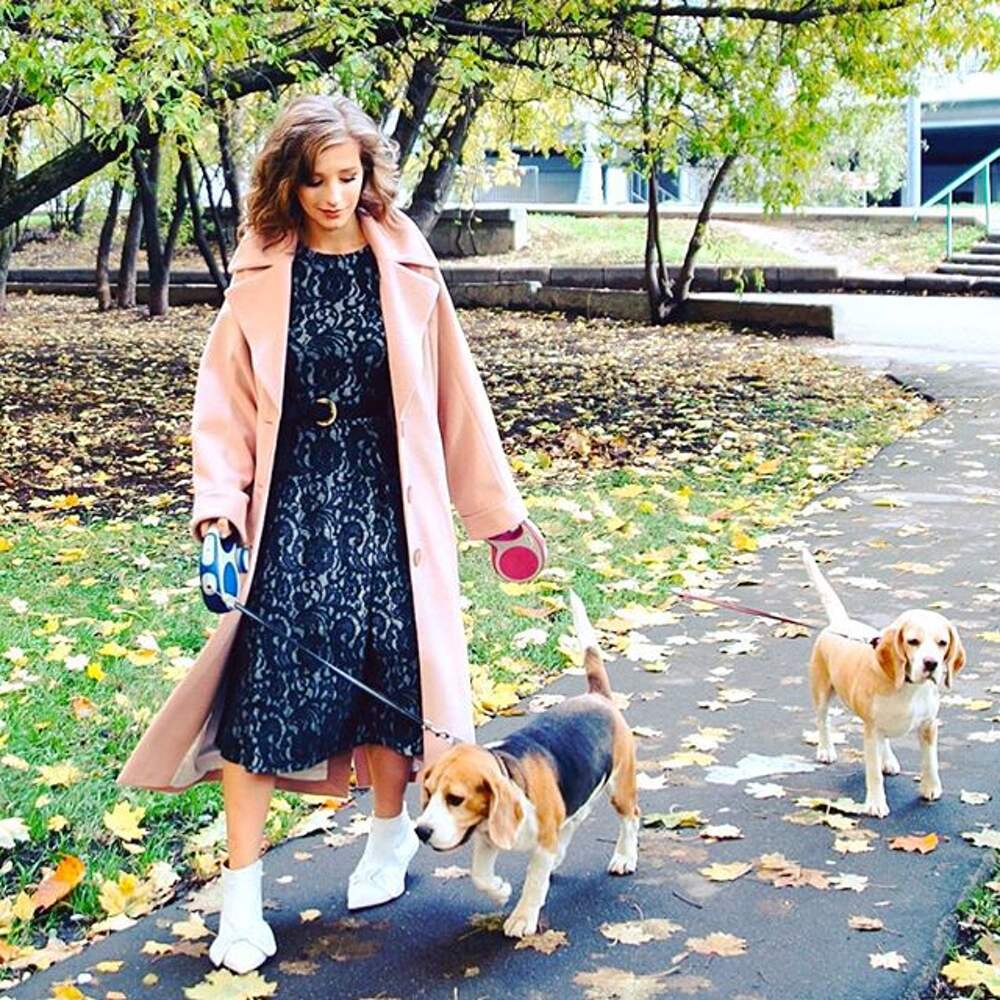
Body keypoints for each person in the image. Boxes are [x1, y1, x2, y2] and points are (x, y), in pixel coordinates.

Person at [187, 93, 545, 974]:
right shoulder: (261, 270)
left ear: (368, 175)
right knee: (264, 695)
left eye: (347, 176)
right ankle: (242, 898)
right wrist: (219, 513)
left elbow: (457, 397)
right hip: (293, 502)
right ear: (286, 182)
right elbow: (223, 403)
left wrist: (497, 519)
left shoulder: (407, 263)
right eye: (314, 180)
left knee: (394, 682)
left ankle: (389, 836)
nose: (332, 196)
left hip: (391, 498)